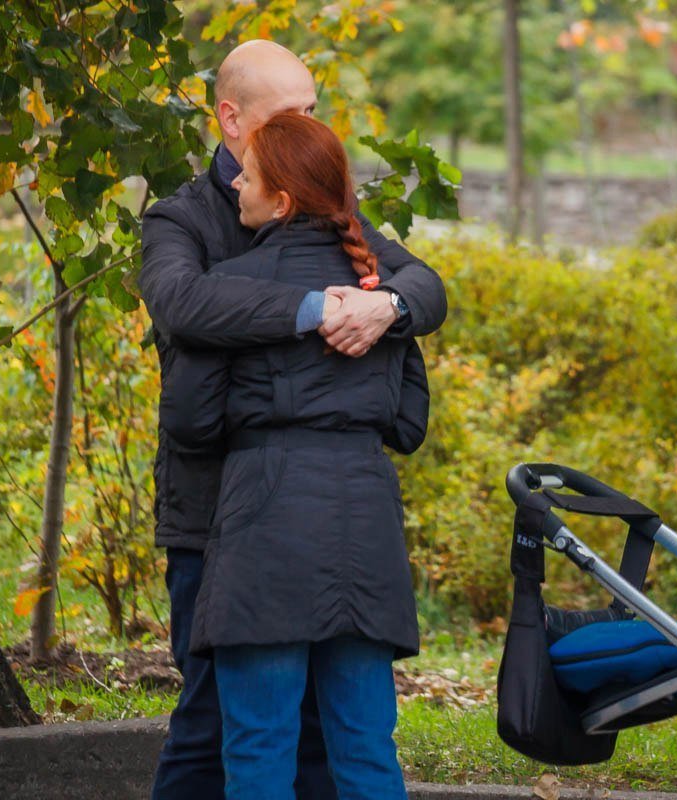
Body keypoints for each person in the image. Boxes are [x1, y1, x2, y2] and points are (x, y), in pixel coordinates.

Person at [138, 40, 446, 800]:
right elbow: (183, 305)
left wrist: (391, 305)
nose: (312, 129)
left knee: (279, 735)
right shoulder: (180, 218)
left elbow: (427, 287)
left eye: (313, 111)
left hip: (277, 504)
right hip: (215, 514)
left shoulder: (335, 218)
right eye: (291, 114)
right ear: (232, 119)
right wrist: (318, 310)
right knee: (211, 719)